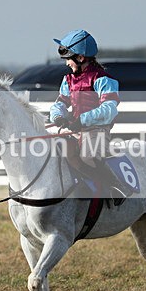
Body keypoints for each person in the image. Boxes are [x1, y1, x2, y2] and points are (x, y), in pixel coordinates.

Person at [48, 29, 131, 203]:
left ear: (80, 58)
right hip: (77, 129)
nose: (66, 64)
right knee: (56, 150)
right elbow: (60, 103)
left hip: (97, 130)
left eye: (68, 59)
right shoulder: (68, 79)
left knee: (88, 156)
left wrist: (82, 120)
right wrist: (58, 117)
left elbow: (109, 109)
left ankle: (117, 187)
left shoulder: (103, 79)